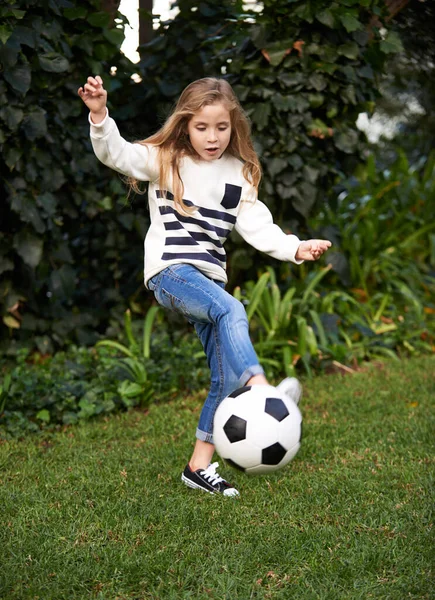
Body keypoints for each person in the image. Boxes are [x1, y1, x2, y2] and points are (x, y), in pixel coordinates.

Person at [78, 75, 331, 497]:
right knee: (233, 310)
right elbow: (116, 154)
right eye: (201, 127)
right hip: (172, 271)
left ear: (234, 127)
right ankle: (261, 388)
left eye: (221, 128)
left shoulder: (239, 174)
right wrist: (100, 115)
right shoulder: (165, 158)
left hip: (207, 280)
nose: (212, 137)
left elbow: (257, 226)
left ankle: (198, 466)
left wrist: (295, 247)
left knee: (222, 380)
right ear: (185, 124)